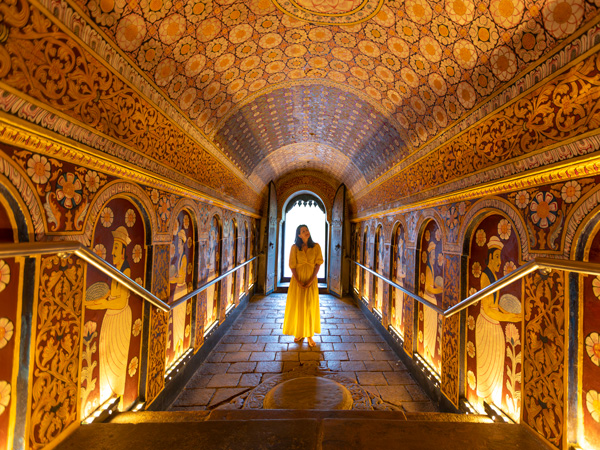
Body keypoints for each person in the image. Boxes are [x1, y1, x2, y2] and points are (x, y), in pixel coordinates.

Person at [86, 226, 132, 405]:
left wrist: (100, 304)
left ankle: (119, 395)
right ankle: (110, 397)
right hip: (111, 316)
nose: (113, 251)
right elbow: (112, 295)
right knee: (107, 360)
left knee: (117, 362)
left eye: (116, 247)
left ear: (123, 250)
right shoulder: (117, 267)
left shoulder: (125, 270)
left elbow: (120, 301)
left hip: (119, 316)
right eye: (113, 247)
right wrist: (96, 302)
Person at [475, 236, 521, 407]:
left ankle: (489, 401)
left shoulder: (494, 275)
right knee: (486, 366)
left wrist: (512, 314)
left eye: (500, 258)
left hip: (494, 324)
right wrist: (511, 317)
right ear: (490, 257)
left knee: (496, 363)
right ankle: (482, 400)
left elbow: (497, 305)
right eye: (496, 258)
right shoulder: (486, 277)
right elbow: (487, 308)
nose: (499, 262)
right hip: (487, 324)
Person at [283, 225, 323, 347]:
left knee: (310, 306)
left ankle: (309, 336)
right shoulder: (294, 248)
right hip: (297, 280)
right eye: (303, 231)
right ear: (299, 235)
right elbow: (292, 265)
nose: (306, 232)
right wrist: (298, 281)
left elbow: (318, 264)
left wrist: (311, 280)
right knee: (299, 306)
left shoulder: (316, 246)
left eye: (307, 230)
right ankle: (299, 332)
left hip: (311, 279)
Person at [169, 229, 188, 357]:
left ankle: (181, 343)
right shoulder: (179, 257)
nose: (178, 246)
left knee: (180, 318)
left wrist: (172, 279)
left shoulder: (184, 258)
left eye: (180, 244)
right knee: (176, 318)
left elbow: (181, 278)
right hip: (178, 290)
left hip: (182, 289)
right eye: (177, 243)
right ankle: (177, 347)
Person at [423, 241, 442, 364]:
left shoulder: (432, 267)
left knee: (432, 327)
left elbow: (432, 283)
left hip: (432, 299)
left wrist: (438, 286)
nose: (435, 255)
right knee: (429, 327)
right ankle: (427, 352)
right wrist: (439, 289)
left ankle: (429, 352)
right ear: (430, 254)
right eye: (434, 253)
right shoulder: (428, 268)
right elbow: (428, 287)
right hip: (429, 298)